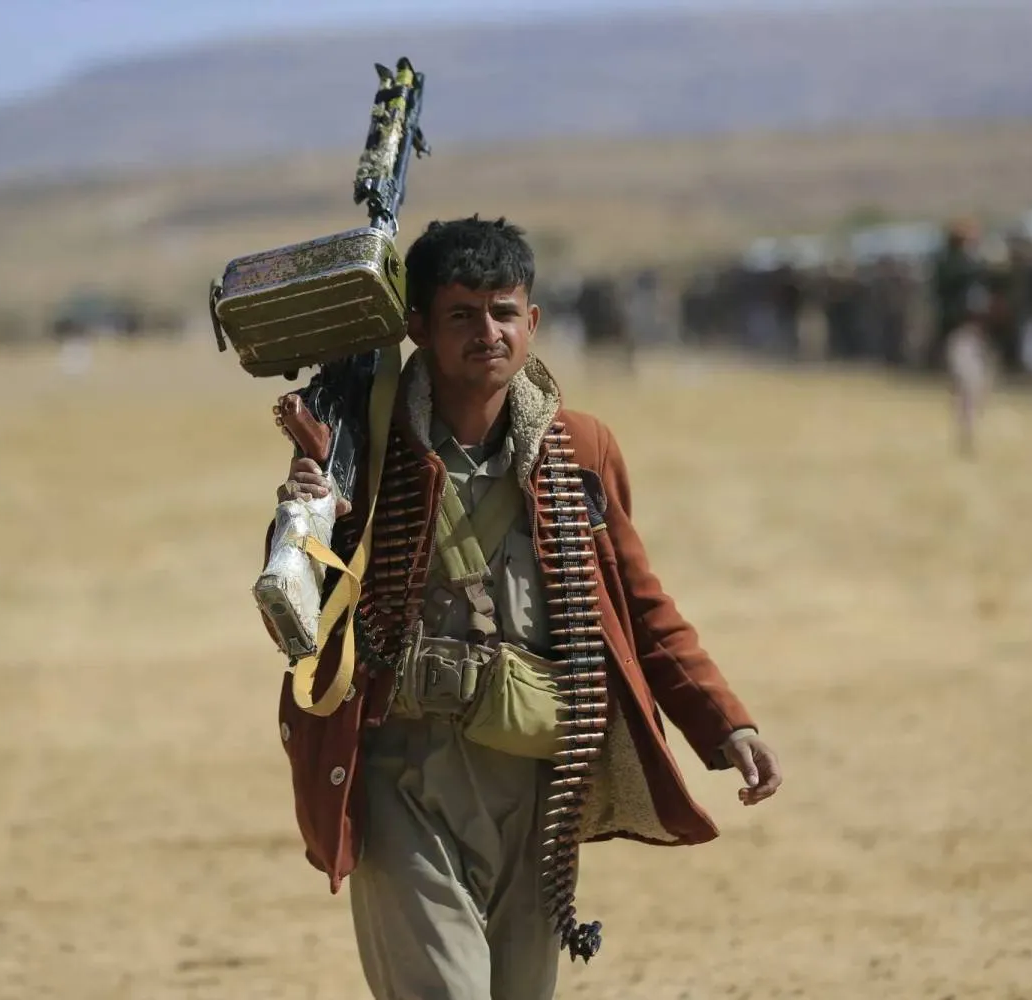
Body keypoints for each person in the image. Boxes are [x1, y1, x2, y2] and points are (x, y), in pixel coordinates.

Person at [269, 216, 782, 1000]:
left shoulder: (582, 449)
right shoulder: (359, 447)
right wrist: (302, 515)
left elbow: (639, 607)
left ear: (532, 322)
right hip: (402, 770)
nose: (488, 333)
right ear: (418, 328)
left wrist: (725, 722)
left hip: (540, 774)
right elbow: (294, 602)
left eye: (505, 313)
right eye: (461, 315)